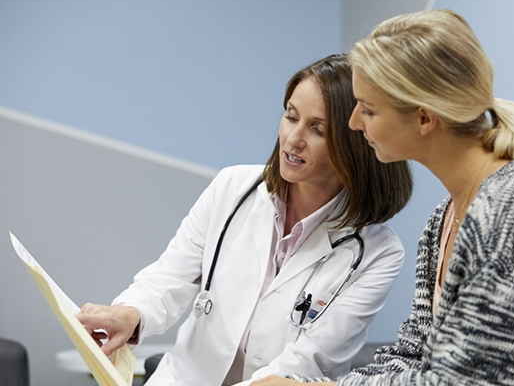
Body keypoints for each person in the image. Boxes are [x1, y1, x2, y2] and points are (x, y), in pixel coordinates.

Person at [251, 9, 514, 386]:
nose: (353, 123)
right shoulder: (444, 220)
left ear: (423, 119)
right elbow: (414, 354)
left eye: (368, 109)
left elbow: (467, 382)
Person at [76, 54, 413, 386]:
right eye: (291, 116)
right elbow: (168, 278)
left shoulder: (377, 252)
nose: (293, 138)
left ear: (356, 142)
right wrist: (128, 313)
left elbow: (308, 361)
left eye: (317, 129)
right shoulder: (232, 188)